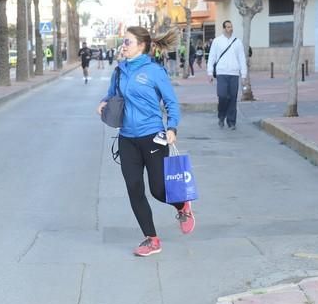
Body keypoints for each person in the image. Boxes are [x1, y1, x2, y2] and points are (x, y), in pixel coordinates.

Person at [96, 26, 195, 257]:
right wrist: (103, 103)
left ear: (141, 45)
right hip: (127, 139)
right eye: (123, 41)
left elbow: (171, 102)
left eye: (128, 42)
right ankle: (151, 239)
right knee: (134, 189)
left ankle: (182, 206)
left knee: (159, 189)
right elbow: (111, 94)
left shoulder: (154, 71)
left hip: (153, 136)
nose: (123, 45)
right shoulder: (119, 71)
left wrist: (172, 127)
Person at [207, 20, 248, 130]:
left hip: (234, 74)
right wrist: (210, 73)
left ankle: (231, 122)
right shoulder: (217, 41)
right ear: (224, 28)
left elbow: (242, 59)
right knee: (223, 96)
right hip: (221, 73)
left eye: (231, 27)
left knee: (233, 98)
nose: (230, 29)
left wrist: (243, 75)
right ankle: (221, 116)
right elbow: (212, 57)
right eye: (228, 27)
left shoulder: (237, 42)